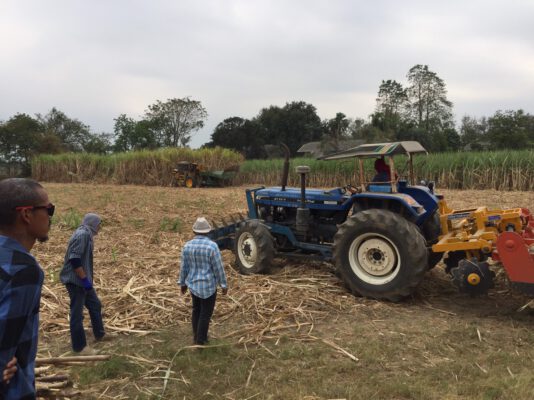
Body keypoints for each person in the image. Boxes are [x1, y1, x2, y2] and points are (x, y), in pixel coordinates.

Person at [0, 178, 52, 399]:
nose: (50, 216)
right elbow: (4, 346)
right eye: (48, 209)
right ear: (27, 214)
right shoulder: (23, 270)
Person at [60, 213, 106, 353]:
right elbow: (74, 259)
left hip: (83, 280)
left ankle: (100, 334)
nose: (99, 227)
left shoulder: (86, 234)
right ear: (92, 223)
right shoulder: (83, 235)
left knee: (95, 304)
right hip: (76, 281)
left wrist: (86, 281)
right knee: (77, 314)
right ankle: (80, 347)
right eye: (99, 224)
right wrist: (85, 280)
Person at [178, 217, 228, 345]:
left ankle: (197, 336)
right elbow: (218, 268)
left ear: (194, 231)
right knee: (205, 314)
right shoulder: (212, 246)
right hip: (209, 287)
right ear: (208, 231)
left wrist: (182, 283)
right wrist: (223, 284)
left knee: (196, 310)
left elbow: (184, 267)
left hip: (193, 286)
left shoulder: (187, 246)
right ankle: (201, 340)